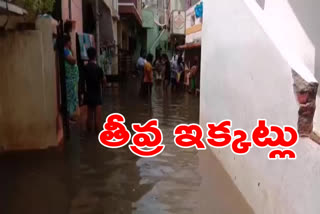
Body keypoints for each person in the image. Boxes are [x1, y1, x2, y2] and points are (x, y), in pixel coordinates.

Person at [82, 47, 106, 134]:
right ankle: (96, 140)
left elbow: (82, 81)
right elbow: (104, 81)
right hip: (97, 94)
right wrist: (103, 85)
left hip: (88, 93)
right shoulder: (98, 68)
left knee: (89, 116)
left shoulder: (85, 68)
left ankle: (88, 136)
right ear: (95, 56)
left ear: (88, 56)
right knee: (98, 119)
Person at [64, 34, 80, 122]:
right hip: (70, 79)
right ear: (67, 42)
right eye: (70, 42)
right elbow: (73, 61)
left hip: (71, 78)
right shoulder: (65, 51)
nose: (71, 43)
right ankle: (70, 116)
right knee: (71, 97)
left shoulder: (66, 50)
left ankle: (71, 115)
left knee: (72, 96)